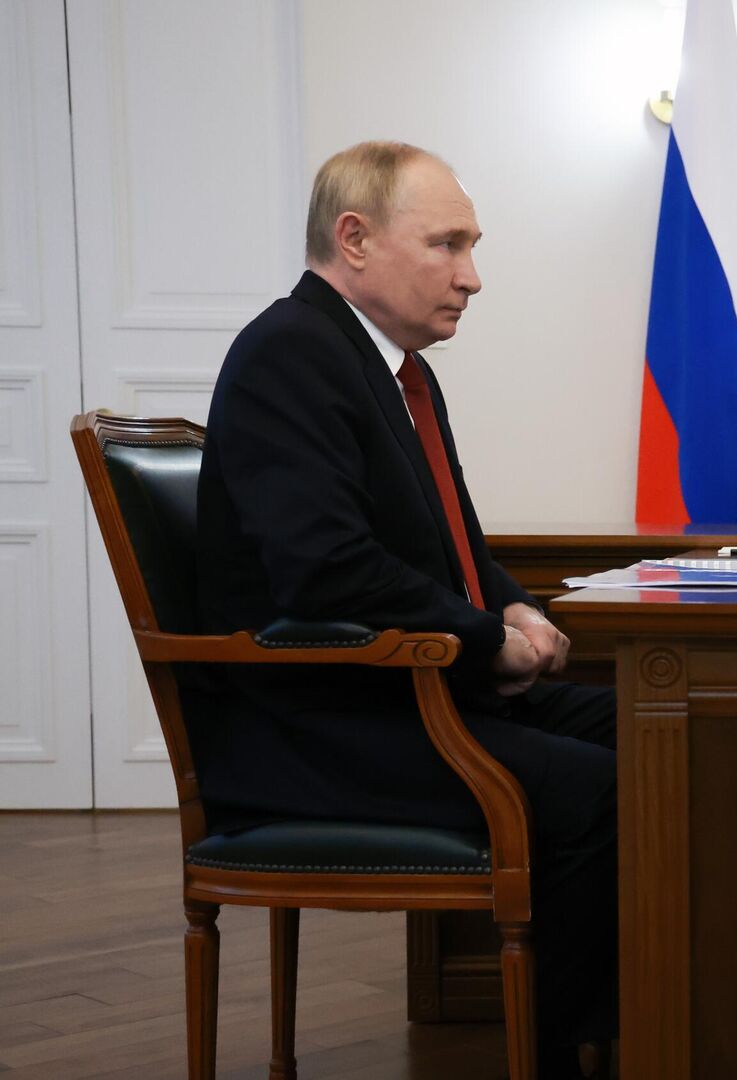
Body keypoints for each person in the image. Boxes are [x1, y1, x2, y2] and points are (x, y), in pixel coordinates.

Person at [195, 141, 614, 1078]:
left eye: (472, 248)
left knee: (664, 735)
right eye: (447, 245)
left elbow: (453, 551)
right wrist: (485, 639)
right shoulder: (290, 354)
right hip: (317, 726)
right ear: (354, 239)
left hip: (406, 696)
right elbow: (327, 570)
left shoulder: (395, 370)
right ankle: (566, 1055)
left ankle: (645, 1027)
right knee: (603, 788)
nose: (472, 277)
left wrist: (517, 611)